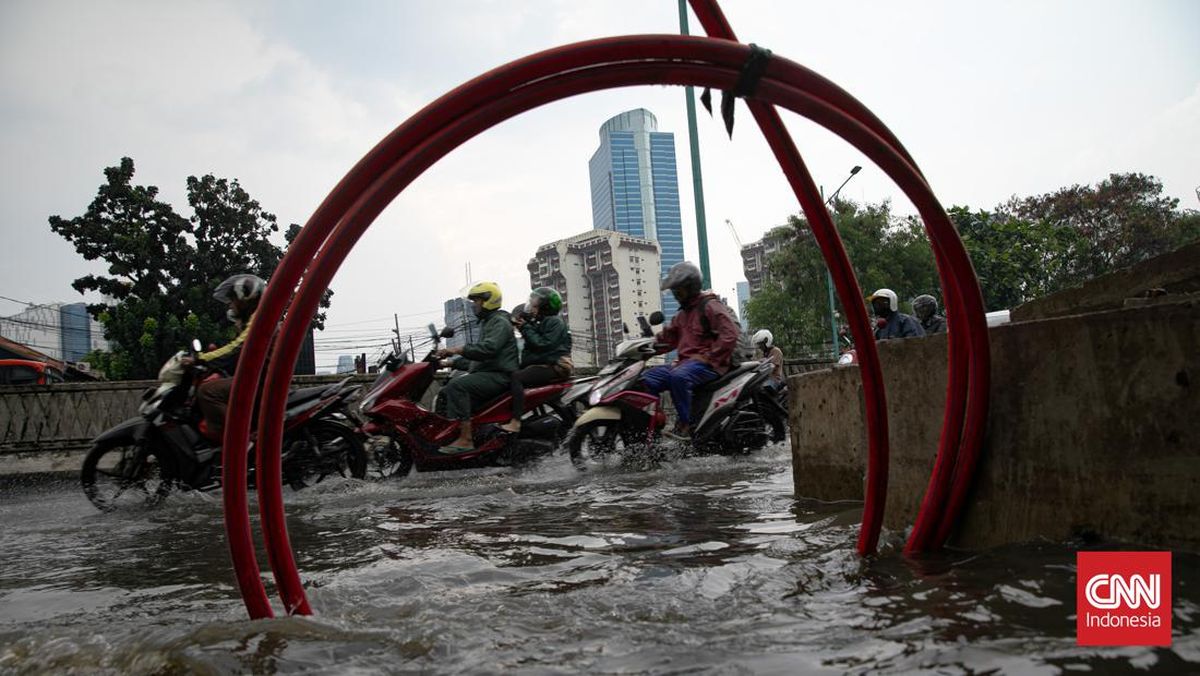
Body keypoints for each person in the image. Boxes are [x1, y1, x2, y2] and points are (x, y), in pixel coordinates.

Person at [643, 261, 740, 439]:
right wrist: (645, 347)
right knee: (647, 379)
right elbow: (667, 339)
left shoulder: (709, 306)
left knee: (678, 377)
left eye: (678, 289)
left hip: (710, 365)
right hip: (686, 364)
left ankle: (687, 426)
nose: (675, 294)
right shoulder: (682, 315)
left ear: (690, 286)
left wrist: (710, 357)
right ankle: (653, 427)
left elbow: (730, 334)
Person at [434, 281, 519, 453]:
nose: (474, 305)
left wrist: (456, 349)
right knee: (444, 393)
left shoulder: (499, 322)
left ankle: (466, 440)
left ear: (488, 301)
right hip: (489, 373)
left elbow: (488, 349)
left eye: (477, 301)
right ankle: (450, 434)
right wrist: (448, 362)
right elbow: (477, 361)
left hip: (499, 376)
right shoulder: (488, 322)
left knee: (458, 386)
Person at [194, 273, 266, 439]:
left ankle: (236, 442)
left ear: (245, 298)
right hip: (257, 378)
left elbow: (237, 348)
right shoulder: (256, 319)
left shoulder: (258, 319)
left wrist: (202, 358)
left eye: (233, 300)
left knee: (207, 392)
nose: (231, 306)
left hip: (259, 381)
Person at [499, 287, 573, 434]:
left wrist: (525, 327)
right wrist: (522, 324)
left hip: (555, 366)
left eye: (534, 305)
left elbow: (543, 344)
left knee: (516, 377)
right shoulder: (543, 321)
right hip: (544, 364)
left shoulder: (555, 322)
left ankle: (516, 422)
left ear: (544, 307)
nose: (531, 308)